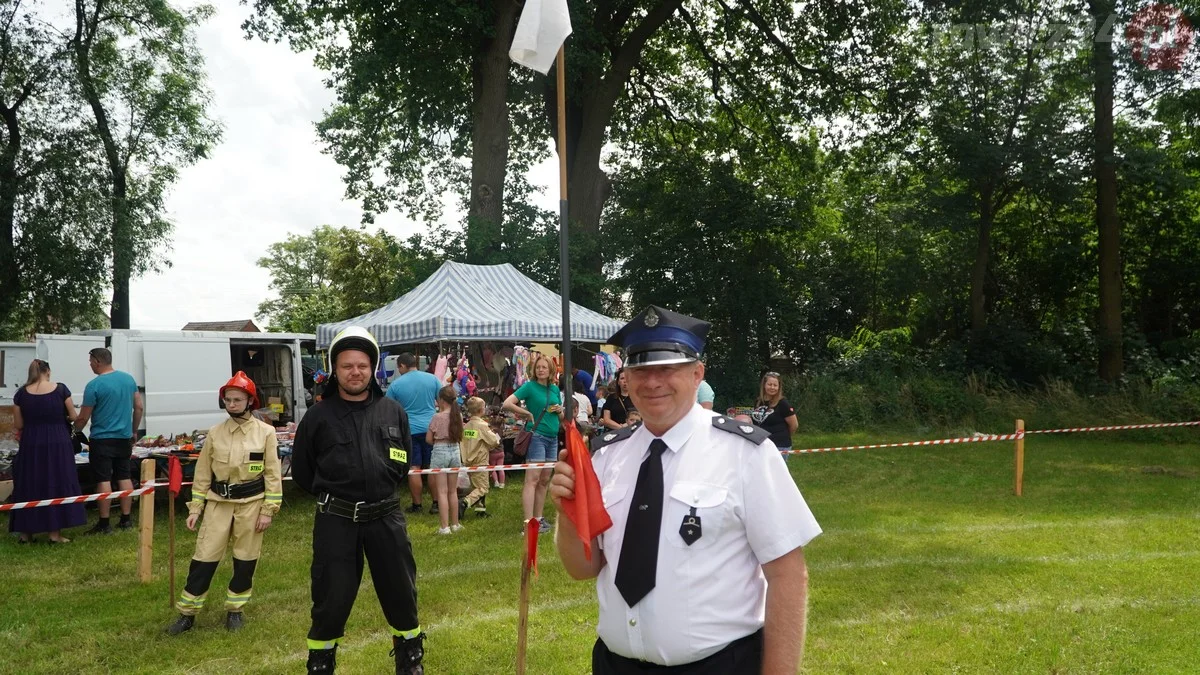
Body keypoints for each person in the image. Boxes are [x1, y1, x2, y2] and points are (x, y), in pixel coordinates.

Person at [551, 305, 821, 674]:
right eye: (641, 370)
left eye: (667, 368)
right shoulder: (605, 456)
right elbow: (584, 568)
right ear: (625, 380)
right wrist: (567, 512)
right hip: (614, 664)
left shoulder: (746, 453)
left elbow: (788, 575)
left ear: (697, 374)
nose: (653, 381)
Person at [292, 327, 425, 675]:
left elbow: (403, 461)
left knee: (402, 594)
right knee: (331, 600)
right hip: (337, 522)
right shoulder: (317, 417)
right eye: (347, 366)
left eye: (362, 365)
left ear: (373, 368)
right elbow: (304, 474)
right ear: (335, 370)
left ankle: (410, 660)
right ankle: (321, 663)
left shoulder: (392, 411)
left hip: (387, 519)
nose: (355, 372)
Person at [166, 372, 282, 635]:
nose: (232, 404)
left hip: (252, 505)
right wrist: (196, 508)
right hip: (219, 504)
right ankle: (187, 614)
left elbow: (273, 474)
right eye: (228, 400)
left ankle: (235, 610)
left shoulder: (266, 433)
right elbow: (203, 474)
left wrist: (268, 511)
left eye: (237, 400)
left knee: (245, 560)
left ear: (249, 401)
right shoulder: (215, 434)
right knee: (203, 559)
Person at [9, 359, 86, 543]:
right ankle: (54, 534)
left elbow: (19, 424)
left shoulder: (20, 394)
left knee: (29, 482)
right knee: (56, 480)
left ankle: (25, 534)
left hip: (31, 442)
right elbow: (74, 417)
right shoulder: (61, 390)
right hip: (58, 441)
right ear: (48, 372)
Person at [74, 347, 141, 535]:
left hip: (102, 439)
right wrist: (133, 431)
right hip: (123, 438)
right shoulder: (128, 380)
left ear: (97, 361)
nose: (90, 366)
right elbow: (139, 407)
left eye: (90, 362)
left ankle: (104, 523)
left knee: (103, 478)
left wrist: (73, 430)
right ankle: (126, 519)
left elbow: (83, 417)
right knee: (124, 476)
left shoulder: (93, 386)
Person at [502, 352, 564, 534]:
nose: (541, 370)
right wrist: (526, 414)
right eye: (538, 367)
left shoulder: (554, 389)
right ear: (534, 370)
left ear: (550, 370)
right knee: (532, 479)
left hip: (552, 438)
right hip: (537, 436)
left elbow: (560, 417)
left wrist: (560, 410)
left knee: (544, 479)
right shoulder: (529, 387)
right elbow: (507, 403)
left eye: (544, 367)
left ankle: (539, 518)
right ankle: (528, 522)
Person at [386, 352, 442, 514]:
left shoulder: (396, 385)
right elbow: (443, 402)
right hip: (431, 428)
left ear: (402, 365)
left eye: (399, 367)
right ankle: (436, 503)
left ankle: (417, 505)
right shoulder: (432, 379)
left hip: (409, 430)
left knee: (414, 467)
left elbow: (388, 409)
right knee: (432, 467)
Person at [426, 385, 464, 535]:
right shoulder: (458, 416)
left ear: (441, 400)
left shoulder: (437, 417)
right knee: (452, 490)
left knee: (442, 492)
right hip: (455, 450)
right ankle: (455, 524)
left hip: (440, 450)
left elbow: (429, 439)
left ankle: (444, 527)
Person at [459, 396, 500, 518]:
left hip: (468, 460)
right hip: (480, 461)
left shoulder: (466, 427)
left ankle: (480, 510)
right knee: (483, 488)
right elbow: (493, 441)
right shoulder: (482, 426)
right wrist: (497, 437)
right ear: (482, 410)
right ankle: (464, 503)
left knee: (476, 486)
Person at [751, 372, 798, 454]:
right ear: (764, 385)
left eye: (775, 385)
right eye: (769, 384)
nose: (772, 387)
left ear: (779, 387)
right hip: (761, 443)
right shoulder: (758, 401)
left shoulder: (783, 403)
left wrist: (783, 436)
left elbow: (794, 425)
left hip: (779, 445)